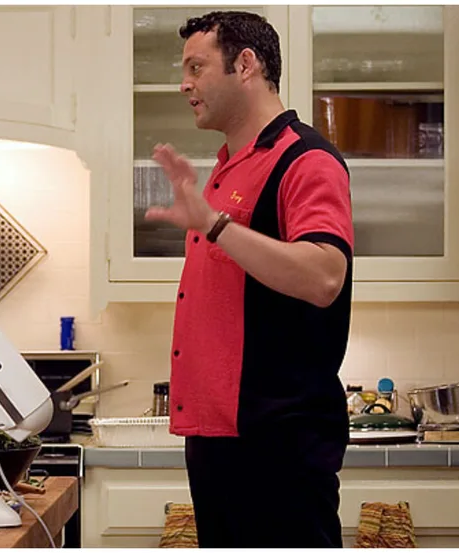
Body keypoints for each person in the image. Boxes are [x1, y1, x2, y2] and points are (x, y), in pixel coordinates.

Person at [145, 11, 353, 548]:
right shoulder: (228, 166)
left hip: (278, 445)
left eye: (196, 67)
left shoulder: (306, 159)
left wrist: (214, 224)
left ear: (245, 65)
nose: (183, 84)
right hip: (220, 441)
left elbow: (325, 276)